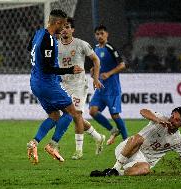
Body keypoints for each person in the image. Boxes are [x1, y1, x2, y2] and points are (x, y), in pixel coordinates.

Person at [26, 9, 85, 164]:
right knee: (72, 112)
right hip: (47, 83)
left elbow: (29, 50)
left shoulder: (38, 33)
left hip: (36, 82)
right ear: (57, 22)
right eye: (63, 25)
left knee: (54, 116)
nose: (64, 28)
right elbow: (47, 68)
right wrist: (69, 70)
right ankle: (53, 145)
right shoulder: (49, 40)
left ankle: (34, 142)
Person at [90, 107, 181, 176]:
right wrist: (156, 119)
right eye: (172, 116)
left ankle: (115, 173)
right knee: (138, 138)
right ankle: (115, 168)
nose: (172, 120)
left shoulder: (178, 140)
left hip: (140, 163)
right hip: (126, 149)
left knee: (146, 170)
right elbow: (143, 111)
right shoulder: (160, 119)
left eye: (177, 120)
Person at [57, 18, 105, 160]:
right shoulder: (56, 46)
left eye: (67, 27)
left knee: (76, 115)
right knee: (73, 116)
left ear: (72, 30)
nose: (64, 29)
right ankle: (98, 137)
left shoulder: (81, 44)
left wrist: (96, 79)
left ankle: (79, 151)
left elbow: (96, 60)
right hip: (64, 85)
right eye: (62, 27)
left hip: (79, 85)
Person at [89, 25, 128, 145]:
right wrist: (93, 71)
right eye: (97, 34)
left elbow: (122, 65)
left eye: (102, 33)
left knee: (115, 115)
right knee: (93, 111)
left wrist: (109, 73)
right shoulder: (95, 49)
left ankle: (126, 140)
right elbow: (97, 66)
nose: (100, 36)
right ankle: (113, 130)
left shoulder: (110, 48)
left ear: (107, 34)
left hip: (112, 88)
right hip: (101, 88)